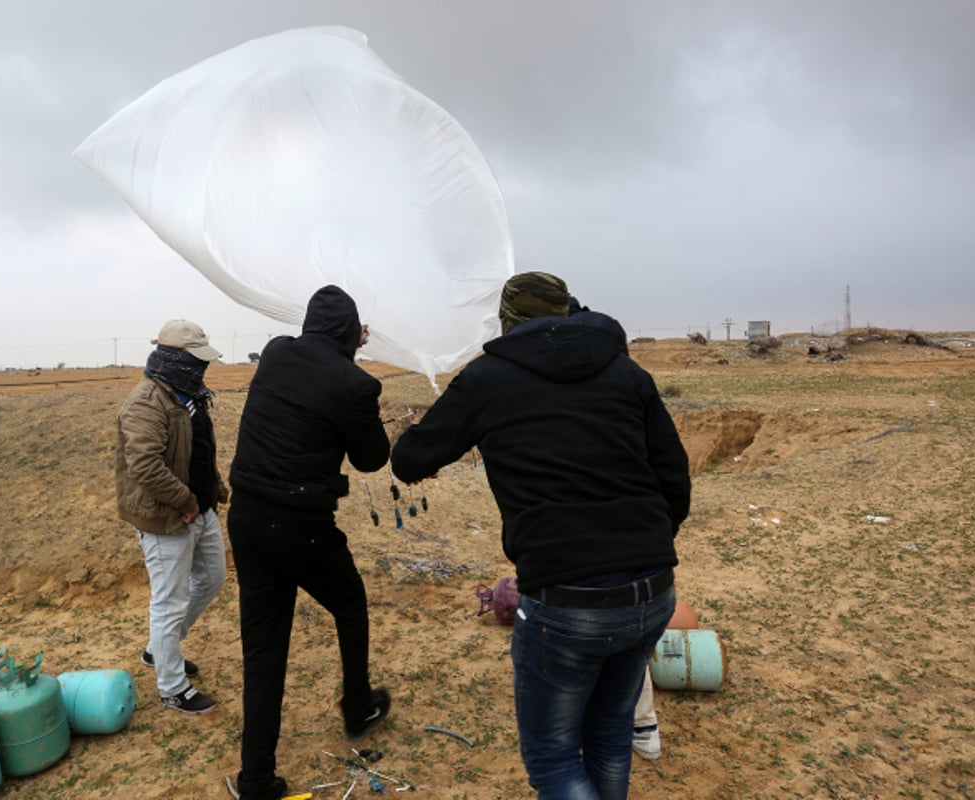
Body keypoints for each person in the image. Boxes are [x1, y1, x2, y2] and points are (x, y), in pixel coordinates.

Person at [392, 272, 691, 799]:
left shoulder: (486, 378)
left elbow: (411, 458)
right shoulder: (627, 372)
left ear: (507, 322)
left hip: (567, 600)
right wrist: (643, 546)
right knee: (609, 733)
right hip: (651, 589)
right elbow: (673, 477)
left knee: (553, 760)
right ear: (569, 311)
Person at [227, 285, 392, 800]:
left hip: (248, 518)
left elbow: (312, 362)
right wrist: (352, 356)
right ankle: (357, 705)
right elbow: (372, 459)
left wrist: (343, 348)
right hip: (300, 524)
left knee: (263, 649)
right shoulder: (355, 384)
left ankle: (256, 778)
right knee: (349, 603)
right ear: (352, 332)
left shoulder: (276, 353)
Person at [115, 319, 228, 715]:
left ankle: (160, 650)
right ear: (176, 358)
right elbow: (144, 465)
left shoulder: (188, 392)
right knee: (169, 603)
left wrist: (213, 490)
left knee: (212, 578)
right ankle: (172, 687)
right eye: (197, 360)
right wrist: (186, 502)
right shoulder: (148, 401)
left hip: (198, 508)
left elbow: (199, 448)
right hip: (167, 517)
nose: (203, 368)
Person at [569, 294, 663, 763]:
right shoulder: (622, 366)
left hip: (585, 546)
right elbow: (670, 467)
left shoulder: (562, 374)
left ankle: (631, 726)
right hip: (637, 545)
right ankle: (642, 727)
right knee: (627, 637)